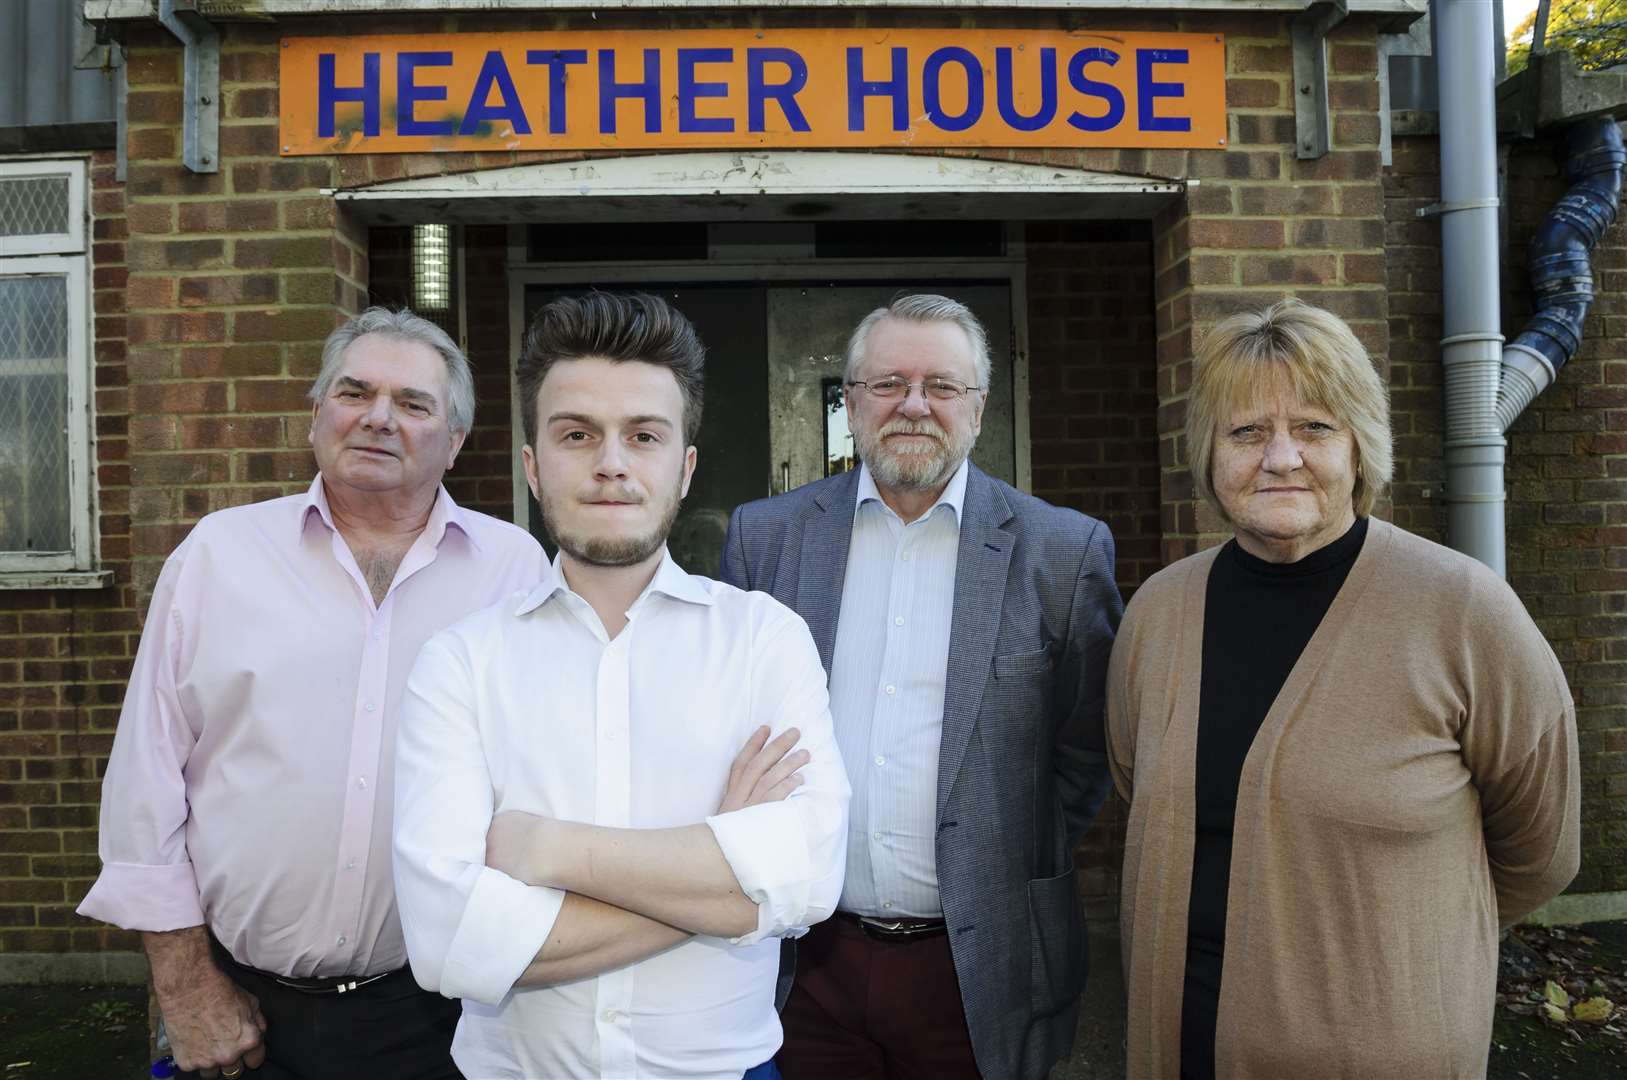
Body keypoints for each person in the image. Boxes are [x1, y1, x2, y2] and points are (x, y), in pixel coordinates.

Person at [1106, 298, 1581, 1079]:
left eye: (1315, 428)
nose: (1280, 457)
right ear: (1208, 455)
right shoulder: (1158, 613)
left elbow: (1540, 848)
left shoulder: (1459, 609)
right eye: (1246, 432)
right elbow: (1138, 784)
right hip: (1180, 1040)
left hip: (1383, 1047)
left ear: (1359, 448)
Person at [77, 308, 547, 1080]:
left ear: (456, 440)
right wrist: (185, 984)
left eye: (414, 404)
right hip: (243, 1011)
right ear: (317, 416)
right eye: (353, 392)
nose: (377, 418)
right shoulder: (219, 556)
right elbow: (145, 781)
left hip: (440, 1014)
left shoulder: (514, 573)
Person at [392, 291, 850, 1080]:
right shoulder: (459, 662)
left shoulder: (763, 639)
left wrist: (549, 848)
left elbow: (807, 881)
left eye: (643, 435)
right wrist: (724, 873)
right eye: (577, 435)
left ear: (684, 468)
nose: (610, 462)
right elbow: (447, 942)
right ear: (533, 465)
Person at [722, 293, 1122, 1080]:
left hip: (980, 965)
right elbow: (731, 728)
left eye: (940, 386)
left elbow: (1086, 750)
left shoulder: (1061, 553)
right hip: (806, 963)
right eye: (887, 384)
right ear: (851, 401)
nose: (913, 405)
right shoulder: (765, 539)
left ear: (977, 409)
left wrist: (998, 852)